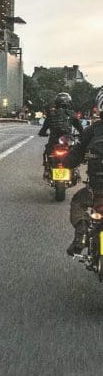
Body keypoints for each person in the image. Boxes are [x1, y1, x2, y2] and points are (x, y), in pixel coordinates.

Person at [64, 89, 103, 255]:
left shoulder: (92, 130)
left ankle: (82, 233)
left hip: (97, 188)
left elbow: (74, 157)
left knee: (77, 202)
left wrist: (65, 163)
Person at [38, 92, 83, 170]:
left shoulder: (51, 114)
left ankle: (47, 169)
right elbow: (81, 129)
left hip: (53, 141)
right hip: (68, 140)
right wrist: (81, 135)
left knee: (47, 152)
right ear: (69, 102)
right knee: (75, 152)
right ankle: (74, 170)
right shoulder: (72, 114)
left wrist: (43, 134)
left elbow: (43, 130)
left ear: (56, 102)